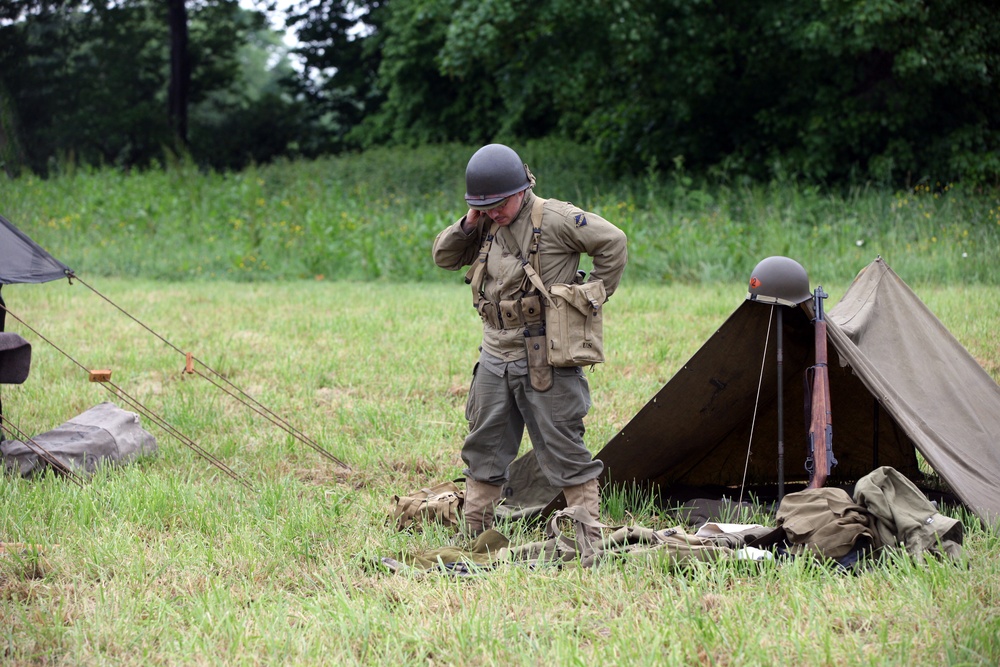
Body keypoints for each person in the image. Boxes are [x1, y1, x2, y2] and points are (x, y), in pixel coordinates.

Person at [432, 143, 628, 537]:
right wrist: (471, 221)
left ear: (523, 188)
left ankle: (587, 536)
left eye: (499, 204)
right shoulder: (485, 222)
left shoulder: (557, 218)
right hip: (494, 352)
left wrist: (589, 296)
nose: (494, 213)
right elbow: (444, 257)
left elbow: (614, 241)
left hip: (544, 354)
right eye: (484, 206)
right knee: (484, 443)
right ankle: (475, 535)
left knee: (563, 446)